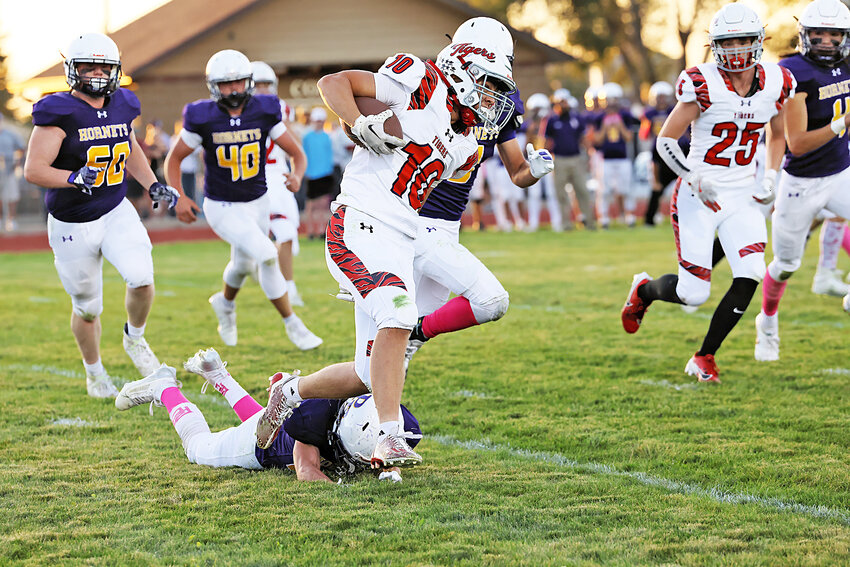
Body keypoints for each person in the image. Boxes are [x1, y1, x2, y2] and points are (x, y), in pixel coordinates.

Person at [252, 32, 516, 468]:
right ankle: (389, 438)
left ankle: (289, 392)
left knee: (365, 373)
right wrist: (356, 121)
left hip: (402, 236)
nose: (493, 102)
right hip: (356, 221)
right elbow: (333, 84)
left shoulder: (468, 145)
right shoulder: (420, 79)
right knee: (399, 313)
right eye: (488, 88)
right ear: (464, 74)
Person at [621, 3, 795, 383]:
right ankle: (645, 290)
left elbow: (778, 135)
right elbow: (666, 140)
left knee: (750, 273)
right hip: (698, 195)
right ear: (715, 45)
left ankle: (704, 356)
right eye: (726, 42)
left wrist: (770, 174)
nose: (735, 49)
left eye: (743, 41)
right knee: (693, 293)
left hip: (743, 194)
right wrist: (693, 175)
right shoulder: (701, 81)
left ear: (758, 41)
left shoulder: (778, 81)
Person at [23, 33, 180, 397]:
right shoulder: (57, 111)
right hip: (71, 223)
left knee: (142, 277)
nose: (96, 74)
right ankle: (94, 374)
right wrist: (72, 178)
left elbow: (128, 145)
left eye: (103, 67)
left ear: (116, 70)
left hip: (114, 209)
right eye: (88, 66)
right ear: (71, 70)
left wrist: (152, 183)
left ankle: (135, 339)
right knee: (88, 307)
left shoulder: (124, 103)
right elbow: (34, 169)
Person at [405, 17, 554, 367]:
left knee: (402, 339)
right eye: (484, 73)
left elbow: (517, 170)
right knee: (487, 301)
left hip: (447, 228)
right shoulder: (431, 91)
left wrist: (534, 170)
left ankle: (368, 411)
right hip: (412, 219)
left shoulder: (498, 105)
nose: (492, 84)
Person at [163, 49, 322, 351]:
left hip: (258, 200)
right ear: (213, 86)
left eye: (239, 82)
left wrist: (297, 174)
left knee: (242, 265)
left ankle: (224, 303)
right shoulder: (202, 116)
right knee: (267, 254)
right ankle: (292, 323)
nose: (234, 89)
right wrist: (179, 196)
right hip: (222, 205)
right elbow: (174, 160)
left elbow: (297, 152)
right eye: (227, 84)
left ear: (248, 81)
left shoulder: (263, 110)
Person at [114, 348, 421, 482]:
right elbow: (307, 472)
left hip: (274, 422)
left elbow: (386, 448)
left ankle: (218, 375)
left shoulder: (388, 415)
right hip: (258, 446)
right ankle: (164, 387)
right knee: (197, 448)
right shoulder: (314, 420)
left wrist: (389, 469)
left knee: (260, 418)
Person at [754, 0, 850, 361]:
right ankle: (766, 321)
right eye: (819, 34)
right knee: (785, 265)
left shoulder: (846, 63)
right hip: (801, 182)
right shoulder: (794, 70)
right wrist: (844, 123)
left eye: (835, 33)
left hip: (841, 172)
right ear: (804, 35)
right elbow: (798, 143)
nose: (827, 41)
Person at [251, 61, 304, 306]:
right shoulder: (243, 110)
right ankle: (288, 288)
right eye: (257, 85)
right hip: (259, 176)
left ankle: (258, 268)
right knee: (284, 232)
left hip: (280, 173)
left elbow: (292, 141)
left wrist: (296, 171)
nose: (262, 90)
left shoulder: (281, 108)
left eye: (266, 85)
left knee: (288, 232)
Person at [545, 88, 593, 230]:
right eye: (560, 102)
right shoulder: (552, 120)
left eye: (564, 101)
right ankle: (566, 224)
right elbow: (547, 142)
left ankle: (589, 223)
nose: (563, 104)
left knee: (582, 192)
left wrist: (590, 155)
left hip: (576, 158)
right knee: (561, 194)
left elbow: (583, 139)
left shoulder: (577, 118)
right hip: (559, 160)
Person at [594, 82, 639, 228]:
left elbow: (628, 138)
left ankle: (629, 215)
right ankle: (604, 217)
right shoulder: (599, 117)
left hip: (622, 157)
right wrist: (605, 127)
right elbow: (598, 140)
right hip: (605, 158)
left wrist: (619, 125)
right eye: (609, 100)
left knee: (625, 188)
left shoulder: (625, 116)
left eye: (614, 100)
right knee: (604, 189)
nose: (611, 103)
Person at [302, 107, 335, 239]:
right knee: (311, 205)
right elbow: (304, 154)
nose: (319, 123)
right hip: (311, 174)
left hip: (325, 173)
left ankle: (322, 230)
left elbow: (329, 155)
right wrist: (305, 171)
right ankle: (310, 231)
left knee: (323, 204)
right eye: (317, 121)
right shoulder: (307, 137)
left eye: (321, 121)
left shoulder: (327, 137)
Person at [0, 114, 26, 232]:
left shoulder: (10, 134)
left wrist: (17, 162)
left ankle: (11, 220)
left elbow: (21, 148)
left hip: (9, 169)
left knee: (11, 196)